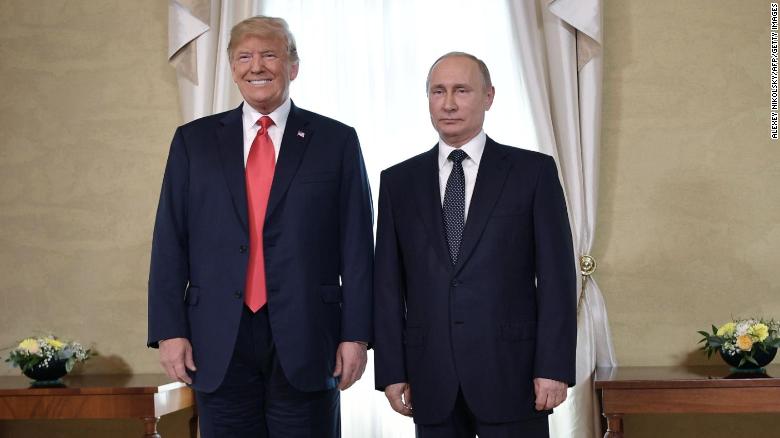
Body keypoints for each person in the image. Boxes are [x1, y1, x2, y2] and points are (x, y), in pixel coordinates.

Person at [147, 16, 373, 438]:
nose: (257, 67)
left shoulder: (336, 141)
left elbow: (358, 246)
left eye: (270, 54)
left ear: (293, 66)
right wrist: (169, 331)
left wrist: (357, 335)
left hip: (309, 335)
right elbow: (169, 242)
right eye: (244, 57)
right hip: (218, 339)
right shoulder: (192, 143)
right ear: (232, 68)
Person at [373, 52, 576, 438]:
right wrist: (392, 371)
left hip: (514, 373)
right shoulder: (398, 182)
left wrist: (553, 366)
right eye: (438, 91)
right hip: (430, 377)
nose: (448, 103)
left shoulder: (532, 173)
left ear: (488, 96)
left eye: (461, 90)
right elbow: (386, 285)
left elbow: (557, 278)